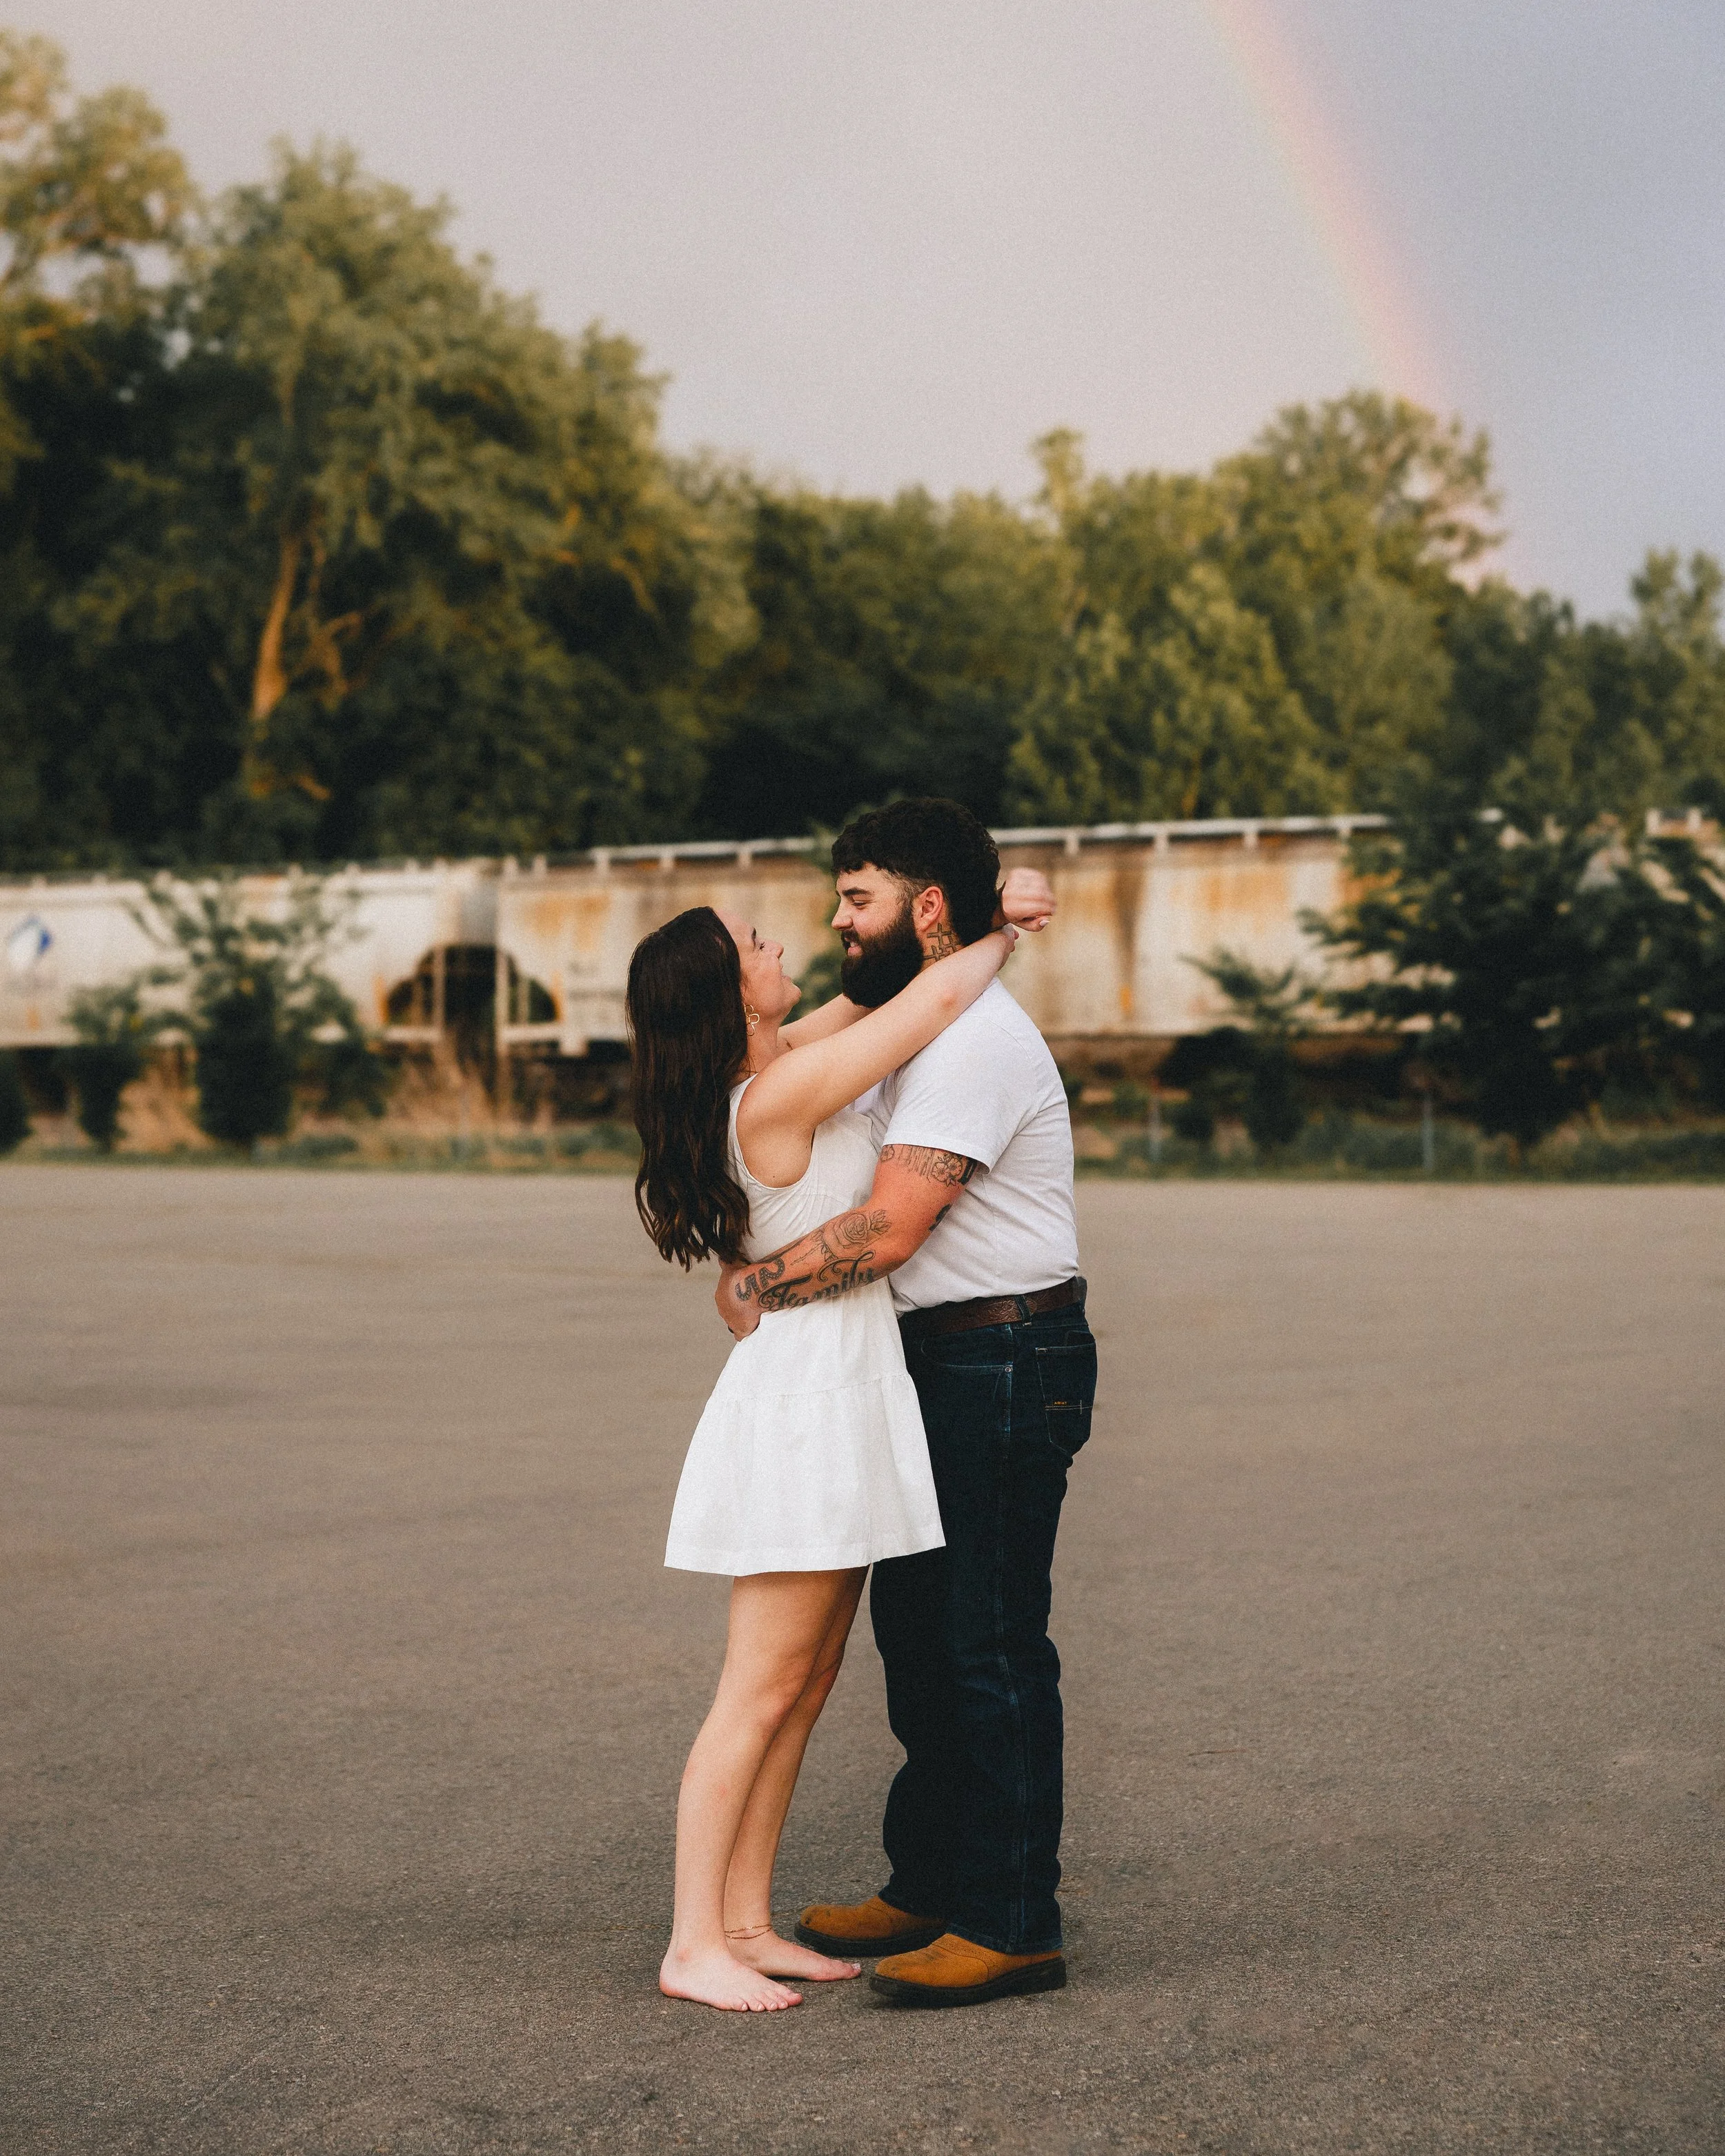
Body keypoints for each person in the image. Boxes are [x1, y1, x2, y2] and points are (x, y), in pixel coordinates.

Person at [626, 861, 1054, 2013]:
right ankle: (690, 1941)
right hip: (806, 1405)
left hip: (843, 1391)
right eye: (756, 941)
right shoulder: (774, 1096)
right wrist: (997, 930)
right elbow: (926, 1008)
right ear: (735, 991)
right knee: (758, 1690)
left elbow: (875, 1001)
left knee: (806, 1683)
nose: (782, 945)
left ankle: (747, 1922)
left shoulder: (777, 1063)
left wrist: (957, 909)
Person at [717, 799, 1096, 2010]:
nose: (838, 920)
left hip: (1002, 1356)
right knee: (922, 1644)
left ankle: (1011, 1920)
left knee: (986, 1644)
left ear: (925, 908)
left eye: (857, 898)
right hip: (931, 1363)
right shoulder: (909, 1018)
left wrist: (758, 1287)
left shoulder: (974, 1040)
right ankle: (931, 1880)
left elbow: (889, 1227)